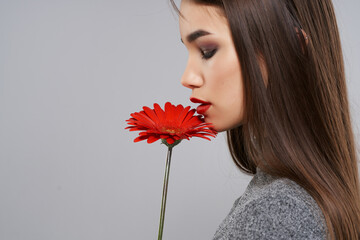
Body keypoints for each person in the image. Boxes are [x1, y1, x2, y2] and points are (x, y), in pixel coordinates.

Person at [171, 0, 360, 239]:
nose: (187, 78)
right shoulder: (290, 200)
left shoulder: (277, 215)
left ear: (290, 47)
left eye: (207, 50)